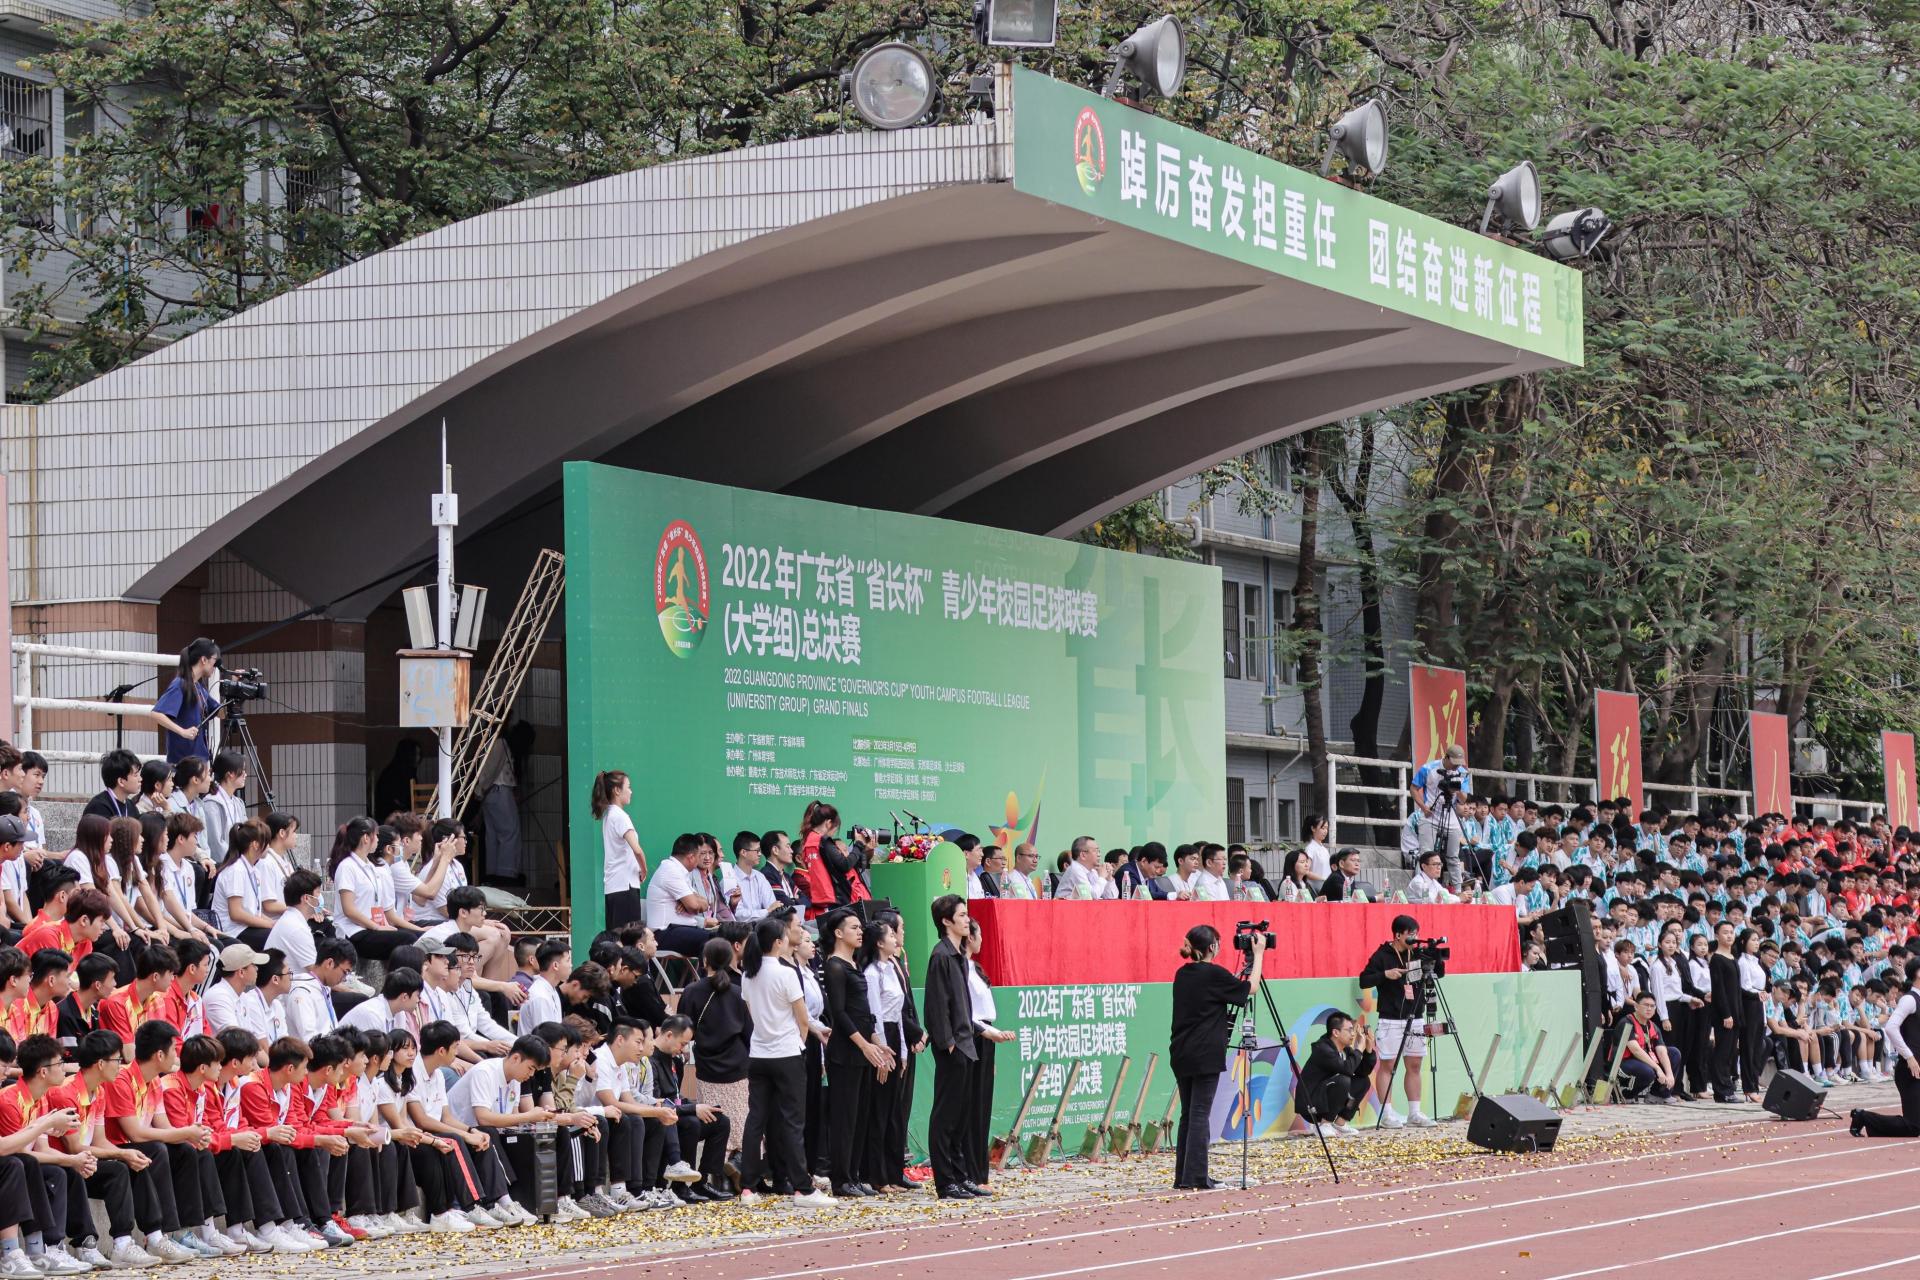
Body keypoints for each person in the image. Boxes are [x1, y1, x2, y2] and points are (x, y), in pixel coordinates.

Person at [736, 918, 830, 1208]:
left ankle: (748, 1187)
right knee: (793, 1121)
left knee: (756, 1119)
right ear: (778, 942)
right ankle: (802, 1187)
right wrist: (800, 1042)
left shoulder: (748, 973)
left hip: (760, 1053)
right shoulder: (786, 973)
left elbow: (752, 1013)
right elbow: (802, 1018)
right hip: (787, 1053)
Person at [1168, 924, 1257, 1189]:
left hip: (1182, 1050)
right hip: (1205, 1051)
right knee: (1199, 1114)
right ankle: (1196, 1176)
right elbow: (1249, 990)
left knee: (1189, 1114)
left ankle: (1184, 1176)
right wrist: (1260, 954)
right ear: (1212, 948)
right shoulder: (1214, 974)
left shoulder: (1182, 973)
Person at [818, 908, 885, 1198]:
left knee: (860, 1115)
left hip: (863, 1048)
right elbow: (840, 1013)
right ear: (838, 933)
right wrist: (863, 1043)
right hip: (845, 1051)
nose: (860, 932)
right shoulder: (834, 965)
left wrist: (875, 1042)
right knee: (845, 1117)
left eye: (861, 928)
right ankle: (841, 1179)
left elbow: (863, 1012)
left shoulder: (854, 964)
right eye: (854, 927)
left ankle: (855, 1175)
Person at [921, 895, 979, 1199]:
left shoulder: (959, 953)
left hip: (966, 1043)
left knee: (960, 1116)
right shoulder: (941, 955)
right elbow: (936, 1005)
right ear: (946, 922)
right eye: (961, 915)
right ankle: (945, 1182)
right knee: (945, 1116)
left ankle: (960, 1174)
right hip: (953, 1046)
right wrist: (948, 1043)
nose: (967, 920)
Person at [1359, 915, 1439, 1128]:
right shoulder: (1382, 954)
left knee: (1414, 1064)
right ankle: (1387, 1114)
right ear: (1398, 934)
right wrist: (1386, 974)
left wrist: (1435, 956)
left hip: (1416, 1016)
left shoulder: (1418, 953)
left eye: (1416, 933)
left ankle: (1415, 1112)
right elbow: (1364, 980)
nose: (1414, 938)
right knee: (1388, 1065)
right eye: (1411, 934)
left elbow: (1439, 973)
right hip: (1391, 1017)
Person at [675, 938, 749, 1146]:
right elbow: (748, 1032)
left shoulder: (691, 991)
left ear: (704, 960)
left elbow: (683, 1027)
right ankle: (736, 1164)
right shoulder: (738, 992)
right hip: (738, 1065)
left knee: (713, 1120)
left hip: (707, 1066)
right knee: (739, 1120)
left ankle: (717, 1170)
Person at [961, 917, 1011, 1191]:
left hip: (986, 1035)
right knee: (972, 1109)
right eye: (978, 934)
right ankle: (972, 1173)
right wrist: (987, 1033)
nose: (981, 940)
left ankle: (980, 1174)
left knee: (982, 1108)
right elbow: (968, 1013)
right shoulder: (960, 969)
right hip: (975, 1034)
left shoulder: (974, 968)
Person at [1851, 957, 1920, 1138]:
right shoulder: (1910, 1000)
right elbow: (1890, 1027)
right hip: (1910, 1069)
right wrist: (1909, 1057)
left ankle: (1871, 1123)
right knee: (1914, 1126)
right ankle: (1863, 1117)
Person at [1295, 1012, 1375, 1138]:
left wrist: (1369, 1050)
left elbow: (1362, 1072)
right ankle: (1325, 1124)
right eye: (1350, 1030)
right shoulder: (1323, 1049)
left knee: (1363, 1082)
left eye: (1353, 1030)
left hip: (1326, 1099)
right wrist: (1359, 1048)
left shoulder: (1345, 1049)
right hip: (1311, 1104)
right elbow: (1347, 1069)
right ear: (1336, 1032)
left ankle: (1340, 1123)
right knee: (1343, 1080)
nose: (1353, 1034)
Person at [149, 640, 220, 765]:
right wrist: (183, 732)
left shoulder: (198, 687)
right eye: (215, 660)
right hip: (183, 760)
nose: (216, 665)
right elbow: (156, 713)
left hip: (198, 759)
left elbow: (220, 712)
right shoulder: (180, 684)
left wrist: (234, 687)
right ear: (204, 660)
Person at [592, 772, 647, 931]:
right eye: (628, 787)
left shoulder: (609, 815)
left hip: (615, 885)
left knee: (616, 937)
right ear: (617, 790)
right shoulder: (620, 816)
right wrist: (644, 870)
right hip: (626, 885)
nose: (631, 791)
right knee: (629, 938)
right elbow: (637, 849)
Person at [1408, 743, 1470, 887]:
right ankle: (1422, 887)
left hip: (1451, 814)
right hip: (1430, 814)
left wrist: (1457, 788)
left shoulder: (1462, 773)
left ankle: (1458, 889)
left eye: (1459, 764)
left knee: (1453, 856)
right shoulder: (1429, 768)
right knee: (1426, 854)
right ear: (1446, 757)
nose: (1456, 767)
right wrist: (1423, 807)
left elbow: (1464, 799)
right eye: (1454, 763)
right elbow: (1413, 788)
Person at [644, 835, 712, 957]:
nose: (698, 861)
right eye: (698, 856)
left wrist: (690, 900)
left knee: (724, 937)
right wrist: (691, 902)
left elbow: (705, 903)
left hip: (683, 929)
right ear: (691, 857)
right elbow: (693, 906)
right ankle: (709, 976)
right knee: (713, 941)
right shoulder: (670, 870)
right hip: (665, 934)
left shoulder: (681, 872)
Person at [81, 752, 141, 824]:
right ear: (121, 781)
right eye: (136, 775)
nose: (140, 779)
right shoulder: (99, 807)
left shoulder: (131, 806)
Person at [1052, 837, 1116, 901]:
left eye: (1099, 851)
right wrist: (1102, 877)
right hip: (1063, 909)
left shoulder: (1092, 871)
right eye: (1095, 851)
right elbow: (1092, 896)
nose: (1099, 854)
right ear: (1083, 855)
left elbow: (1111, 897)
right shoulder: (1075, 869)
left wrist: (1109, 878)